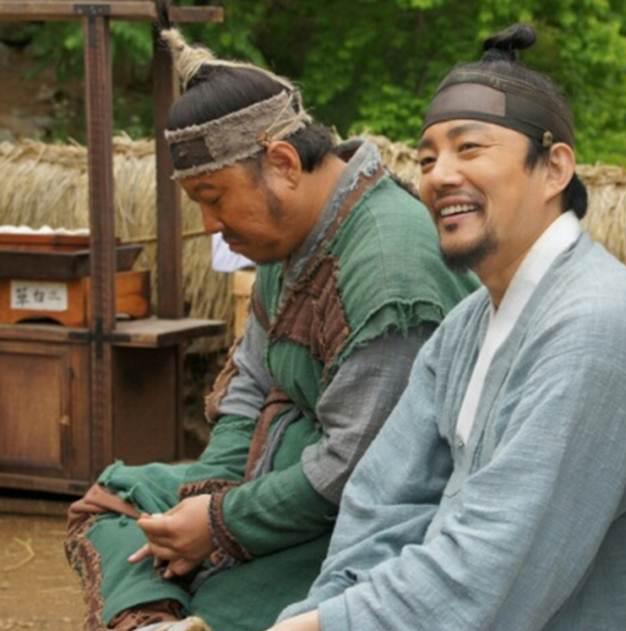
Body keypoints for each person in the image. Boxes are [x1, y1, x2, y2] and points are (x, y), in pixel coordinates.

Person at [270, 24, 626, 631]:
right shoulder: (467, 324)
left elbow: (496, 569)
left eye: (469, 149)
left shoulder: (599, 327)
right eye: (427, 159)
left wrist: (331, 625)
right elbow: (383, 501)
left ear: (554, 168)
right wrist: (328, 608)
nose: (439, 175)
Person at [64, 29, 477, 631]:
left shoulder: (391, 272)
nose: (209, 224)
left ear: (282, 163)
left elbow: (358, 470)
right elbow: (249, 390)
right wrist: (206, 502)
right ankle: (157, 620)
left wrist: (220, 524)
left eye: (213, 197)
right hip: (267, 484)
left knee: (221, 603)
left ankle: (175, 610)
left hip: (362, 520)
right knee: (120, 498)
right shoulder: (287, 242)